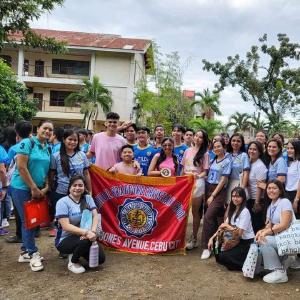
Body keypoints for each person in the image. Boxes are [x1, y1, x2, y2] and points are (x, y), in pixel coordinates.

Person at [10, 120, 53, 272]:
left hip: (38, 189)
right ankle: (32, 253)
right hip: (21, 188)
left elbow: (47, 170)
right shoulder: (27, 143)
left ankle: (25, 252)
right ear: (38, 129)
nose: (47, 131)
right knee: (29, 221)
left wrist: (46, 186)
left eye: (50, 130)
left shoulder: (48, 147)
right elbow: (21, 167)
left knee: (32, 220)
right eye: (45, 128)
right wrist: (33, 187)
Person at [55, 175, 105, 274]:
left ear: (84, 187)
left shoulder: (88, 198)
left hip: (85, 235)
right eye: (74, 185)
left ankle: (78, 251)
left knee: (100, 259)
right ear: (69, 187)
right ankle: (73, 262)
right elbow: (66, 226)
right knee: (85, 241)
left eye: (80, 185)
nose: (77, 188)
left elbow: (95, 216)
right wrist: (86, 232)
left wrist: (93, 232)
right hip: (65, 239)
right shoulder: (62, 202)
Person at [49, 129, 92, 235]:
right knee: (62, 222)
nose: (72, 142)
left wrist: (90, 190)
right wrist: (50, 191)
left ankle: (79, 242)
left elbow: (86, 174)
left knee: (80, 220)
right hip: (61, 193)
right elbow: (51, 175)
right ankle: (62, 245)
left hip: (79, 192)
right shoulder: (55, 156)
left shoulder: (82, 155)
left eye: (75, 140)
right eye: (70, 139)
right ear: (64, 140)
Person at [256, 180, 294, 284]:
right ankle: (282, 262)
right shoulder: (270, 206)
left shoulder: (285, 202)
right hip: (279, 239)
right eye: (269, 188)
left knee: (265, 239)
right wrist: (261, 231)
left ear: (280, 191)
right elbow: (268, 226)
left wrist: (266, 232)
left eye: (274, 188)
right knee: (260, 237)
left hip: (287, 239)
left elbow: (284, 224)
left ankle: (279, 272)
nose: (271, 190)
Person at [208, 187, 255, 270]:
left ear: (243, 198)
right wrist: (212, 238)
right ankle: (225, 260)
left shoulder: (245, 211)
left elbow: (239, 233)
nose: (235, 198)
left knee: (224, 256)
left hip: (245, 243)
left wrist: (228, 226)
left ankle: (243, 264)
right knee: (216, 244)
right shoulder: (232, 211)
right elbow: (222, 227)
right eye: (233, 196)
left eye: (238, 196)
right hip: (234, 238)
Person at [201, 139, 232, 260]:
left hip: (218, 191)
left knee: (208, 216)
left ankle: (206, 248)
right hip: (209, 187)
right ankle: (215, 245)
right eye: (215, 147)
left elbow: (224, 180)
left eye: (219, 146)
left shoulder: (227, 161)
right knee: (217, 218)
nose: (217, 149)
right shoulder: (214, 159)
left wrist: (213, 195)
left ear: (224, 147)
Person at [5, 121, 32, 243]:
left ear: (17, 133)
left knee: (19, 212)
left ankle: (20, 236)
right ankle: (32, 234)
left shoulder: (15, 148)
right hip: (32, 182)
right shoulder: (33, 145)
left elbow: (6, 161)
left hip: (17, 183)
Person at [182, 130, 209, 250]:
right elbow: (183, 168)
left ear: (204, 140)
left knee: (195, 212)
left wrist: (198, 176)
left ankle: (193, 238)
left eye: (201, 137)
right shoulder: (187, 151)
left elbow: (205, 171)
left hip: (197, 183)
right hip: (185, 183)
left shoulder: (205, 153)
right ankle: (179, 236)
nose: (198, 138)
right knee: (182, 210)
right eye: (196, 136)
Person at [246, 141, 268, 233]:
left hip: (257, 199)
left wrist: (257, 202)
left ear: (259, 152)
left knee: (257, 225)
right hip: (249, 198)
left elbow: (260, 186)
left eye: (255, 149)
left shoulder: (260, 166)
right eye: (250, 149)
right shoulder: (250, 162)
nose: (252, 151)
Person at [226, 133, 250, 204]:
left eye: (238, 141)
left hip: (238, 183)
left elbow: (246, 173)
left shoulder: (244, 155)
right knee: (228, 205)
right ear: (230, 142)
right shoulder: (227, 155)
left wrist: (242, 188)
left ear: (242, 143)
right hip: (227, 183)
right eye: (233, 140)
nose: (235, 143)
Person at [285, 139, 300, 218]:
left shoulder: (299, 163)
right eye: (287, 148)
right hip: (288, 194)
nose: (289, 150)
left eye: (292, 148)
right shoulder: (291, 163)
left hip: (296, 195)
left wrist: (296, 200)